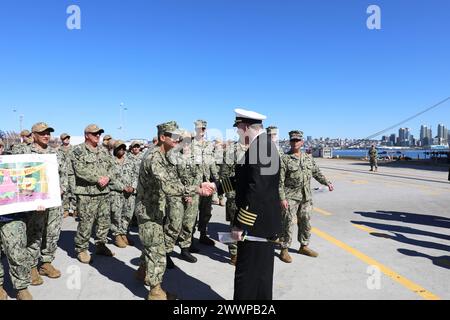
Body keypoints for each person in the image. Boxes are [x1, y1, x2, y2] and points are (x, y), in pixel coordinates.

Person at [134, 121, 215, 300]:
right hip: (148, 212)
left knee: (152, 243)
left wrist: (198, 184)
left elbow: (174, 179)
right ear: (163, 137)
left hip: (156, 209)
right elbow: (168, 185)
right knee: (157, 250)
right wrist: (196, 189)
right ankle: (156, 292)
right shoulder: (154, 158)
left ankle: (142, 271)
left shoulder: (166, 154)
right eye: (175, 137)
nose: (179, 140)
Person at [214, 108, 282, 300]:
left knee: (248, 278)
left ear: (244, 126)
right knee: (260, 278)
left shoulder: (261, 149)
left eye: (238, 129)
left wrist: (241, 225)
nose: (237, 133)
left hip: (255, 228)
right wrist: (217, 187)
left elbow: (257, 191)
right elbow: (243, 179)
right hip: (262, 226)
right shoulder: (262, 146)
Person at [13, 122, 68, 285]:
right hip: (34, 202)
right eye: (42, 133)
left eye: (48, 133)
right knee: (34, 233)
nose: (46, 135)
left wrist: (62, 188)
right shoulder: (24, 151)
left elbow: (64, 173)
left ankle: (46, 263)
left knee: (52, 232)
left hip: (54, 201)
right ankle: (31, 267)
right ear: (33, 135)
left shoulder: (55, 153)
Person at [279, 130, 334, 263]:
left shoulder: (308, 158)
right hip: (290, 196)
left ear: (302, 142)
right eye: (293, 140)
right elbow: (279, 181)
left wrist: (327, 182)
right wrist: (282, 198)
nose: (295, 142)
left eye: (297, 140)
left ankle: (304, 246)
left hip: (306, 197)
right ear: (289, 142)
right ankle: (284, 249)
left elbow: (317, 173)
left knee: (305, 221)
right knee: (287, 223)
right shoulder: (285, 159)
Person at [72, 124, 116, 264]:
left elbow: (112, 167)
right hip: (87, 193)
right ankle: (81, 249)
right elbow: (79, 170)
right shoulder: (78, 150)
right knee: (86, 222)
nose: (98, 136)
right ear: (86, 135)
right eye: (94, 134)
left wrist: (108, 177)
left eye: (99, 134)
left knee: (104, 221)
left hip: (103, 192)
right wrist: (98, 178)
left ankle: (100, 245)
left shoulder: (104, 151)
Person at [192, 120, 219, 247]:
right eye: (198, 128)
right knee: (192, 213)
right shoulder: (190, 144)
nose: (200, 131)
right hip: (195, 184)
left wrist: (217, 179)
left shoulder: (209, 145)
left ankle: (203, 235)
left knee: (206, 211)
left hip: (207, 183)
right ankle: (189, 239)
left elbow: (212, 163)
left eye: (203, 128)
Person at [110, 140, 138, 248]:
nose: (121, 150)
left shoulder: (130, 161)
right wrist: (123, 187)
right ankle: (117, 235)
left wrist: (133, 187)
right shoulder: (111, 162)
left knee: (128, 214)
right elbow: (110, 178)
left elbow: (136, 175)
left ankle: (124, 233)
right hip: (116, 193)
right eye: (119, 148)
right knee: (116, 214)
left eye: (123, 148)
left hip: (130, 193)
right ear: (115, 150)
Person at [60, 133, 77, 218]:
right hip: (63, 174)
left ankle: (74, 209)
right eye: (65, 138)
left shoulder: (74, 149)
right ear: (62, 140)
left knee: (74, 191)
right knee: (65, 192)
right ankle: (65, 210)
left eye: (68, 138)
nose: (66, 139)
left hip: (72, 173)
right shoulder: (58, 150)